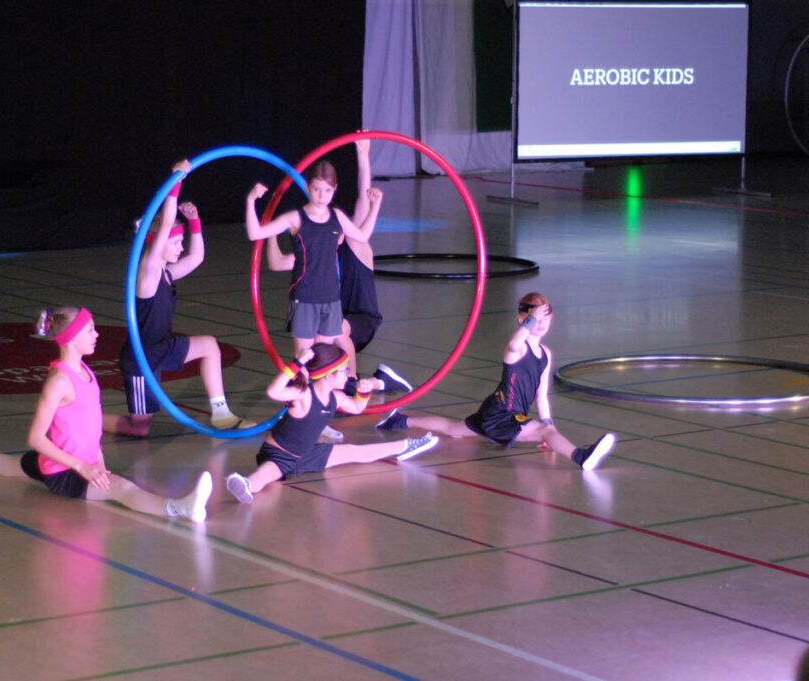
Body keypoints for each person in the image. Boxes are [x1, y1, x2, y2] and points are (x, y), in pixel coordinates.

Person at [0, 307, 212, 522]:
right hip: (64, 472)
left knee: (7, 466)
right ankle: (179, 508)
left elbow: (90, 424)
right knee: (122, 488)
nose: (97, 334)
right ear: (73, 338)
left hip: (70, 463)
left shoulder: (87, 372)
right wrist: (82, 467)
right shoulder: (59, 382)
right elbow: (36, 438)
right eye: (90, 330)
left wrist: (98, 457)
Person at [377, 292, 616, 470]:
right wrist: (530, 320)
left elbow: (541, 395)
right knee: (542, 432)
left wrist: (550, 423)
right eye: (534, 318)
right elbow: (513, 343)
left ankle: (399, 420)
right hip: (502, 413)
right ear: (522, 319)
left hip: (496, 408)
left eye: (546, 318)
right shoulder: (517, 349)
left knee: (454, 430)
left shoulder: (545, 354)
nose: (541, 323)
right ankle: (580, 457)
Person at [110, 159, 254, 437]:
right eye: (176, 243)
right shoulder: (148, 271)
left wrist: (195, 222)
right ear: (158, 244)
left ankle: (221, 414)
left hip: (161, 347)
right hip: (141, 358)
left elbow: (197, 257)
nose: (181, 247)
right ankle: (90, 420)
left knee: (210, 345)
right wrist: (177, 179)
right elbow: (164, 225)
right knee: (139, 429)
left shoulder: (166, 273)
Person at [264, 138, 413, 398]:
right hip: (325, 316)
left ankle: (351, 384)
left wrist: (363, 154)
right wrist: (270, 231)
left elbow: (363, 199)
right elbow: (276, 263)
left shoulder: (357, 248)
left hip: (360, 319)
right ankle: (333, 390)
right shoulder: (316, 253)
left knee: (339, 327)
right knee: (308, 348)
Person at [225, 343, 439, 503]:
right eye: (345, 370)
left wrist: (364, 393)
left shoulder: (335, 397)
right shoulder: (304, 394)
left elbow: (356, 408)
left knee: (357, 452)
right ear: (328, 375)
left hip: (308, 453)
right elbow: (274, 391)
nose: (349, 373)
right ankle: (246, 484)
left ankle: (408, 445)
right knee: (266, 475)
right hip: (279, 455)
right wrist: (297, 363)